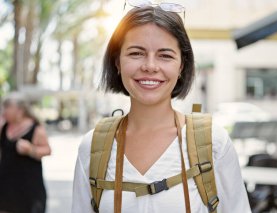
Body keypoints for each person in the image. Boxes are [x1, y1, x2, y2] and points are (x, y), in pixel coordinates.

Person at [72, 1, 251, 212]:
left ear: (181, 65)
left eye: (165, 55)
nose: (150, 66)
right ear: (117, 62)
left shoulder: (214, 143)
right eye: (136, 53)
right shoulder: (93, 147)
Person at [0, 92, 51, 213]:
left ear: (20, 110)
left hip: (28, 189)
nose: (4, 110)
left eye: (7, 107)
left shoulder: (36, 128)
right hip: (5, 188)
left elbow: (48, 150)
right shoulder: (4, 126)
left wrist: (31, 150)